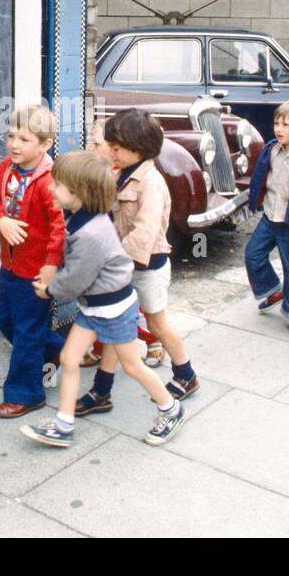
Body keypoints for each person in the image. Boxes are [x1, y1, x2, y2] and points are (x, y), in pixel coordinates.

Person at [21, 152, 186, 447]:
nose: (50, 187)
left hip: (114, 309)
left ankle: (171, 408)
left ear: (80, 193)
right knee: (70, 358)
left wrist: (48, 290)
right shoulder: (79, 218)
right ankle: (63, 424)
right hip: (95, 306)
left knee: (133, 366)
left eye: (57, 184)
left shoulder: (91, 234)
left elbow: (74, 280)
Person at [76, 109, 197, 417]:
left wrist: (109, 260)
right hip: (123, 267)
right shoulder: (122, 175)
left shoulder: (151, 183)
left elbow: (145, 231)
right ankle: (102, 391)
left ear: (138, 149)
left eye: (116, 147)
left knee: (156, 324)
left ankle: (186, 374)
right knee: (117, 329)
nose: (110, 151)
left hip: (147, 268)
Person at [0, 104, 67, 419]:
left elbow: (60, 229)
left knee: (27, 331)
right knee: (1, 314)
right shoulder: (6, 168)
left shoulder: (49, 180)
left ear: (45, 144)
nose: (14, 144)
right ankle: (55, 349)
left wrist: (50, 270)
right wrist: (1, 219)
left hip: (35, 271)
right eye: (11, 136)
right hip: (10, 264)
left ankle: (26, 393)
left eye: (24, 139)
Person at [243, 99, 289, 337]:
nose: (279, 129)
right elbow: (260, 175)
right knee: (253, 254)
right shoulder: (272, 149)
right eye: (276, 123)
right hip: (270, 215)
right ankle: (274, 289)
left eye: (286, 125)